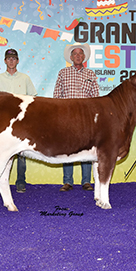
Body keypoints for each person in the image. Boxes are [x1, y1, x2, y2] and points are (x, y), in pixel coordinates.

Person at [53, 43, 99, 192]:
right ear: (71, 57)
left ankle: (86, 181)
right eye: (75, 54)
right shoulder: (63, 73)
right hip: (67, 118)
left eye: (81, 54)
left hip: (86, 119)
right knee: (68, 149)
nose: (78, 56)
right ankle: (67, 182)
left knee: (86, 150)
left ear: (84, 57)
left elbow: (96, 98)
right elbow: (56, 97)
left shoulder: (91, 74)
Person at [0, 48, 37, 193]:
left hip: (22, 120)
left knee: (22, 152)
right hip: (4, 122)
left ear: (17, 61)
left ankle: (20, 181)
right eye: (8, 58)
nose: (11, 61)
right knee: (1, 152)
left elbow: (33, 98)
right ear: (4, 61)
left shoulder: (25, 78)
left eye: (14, 58)